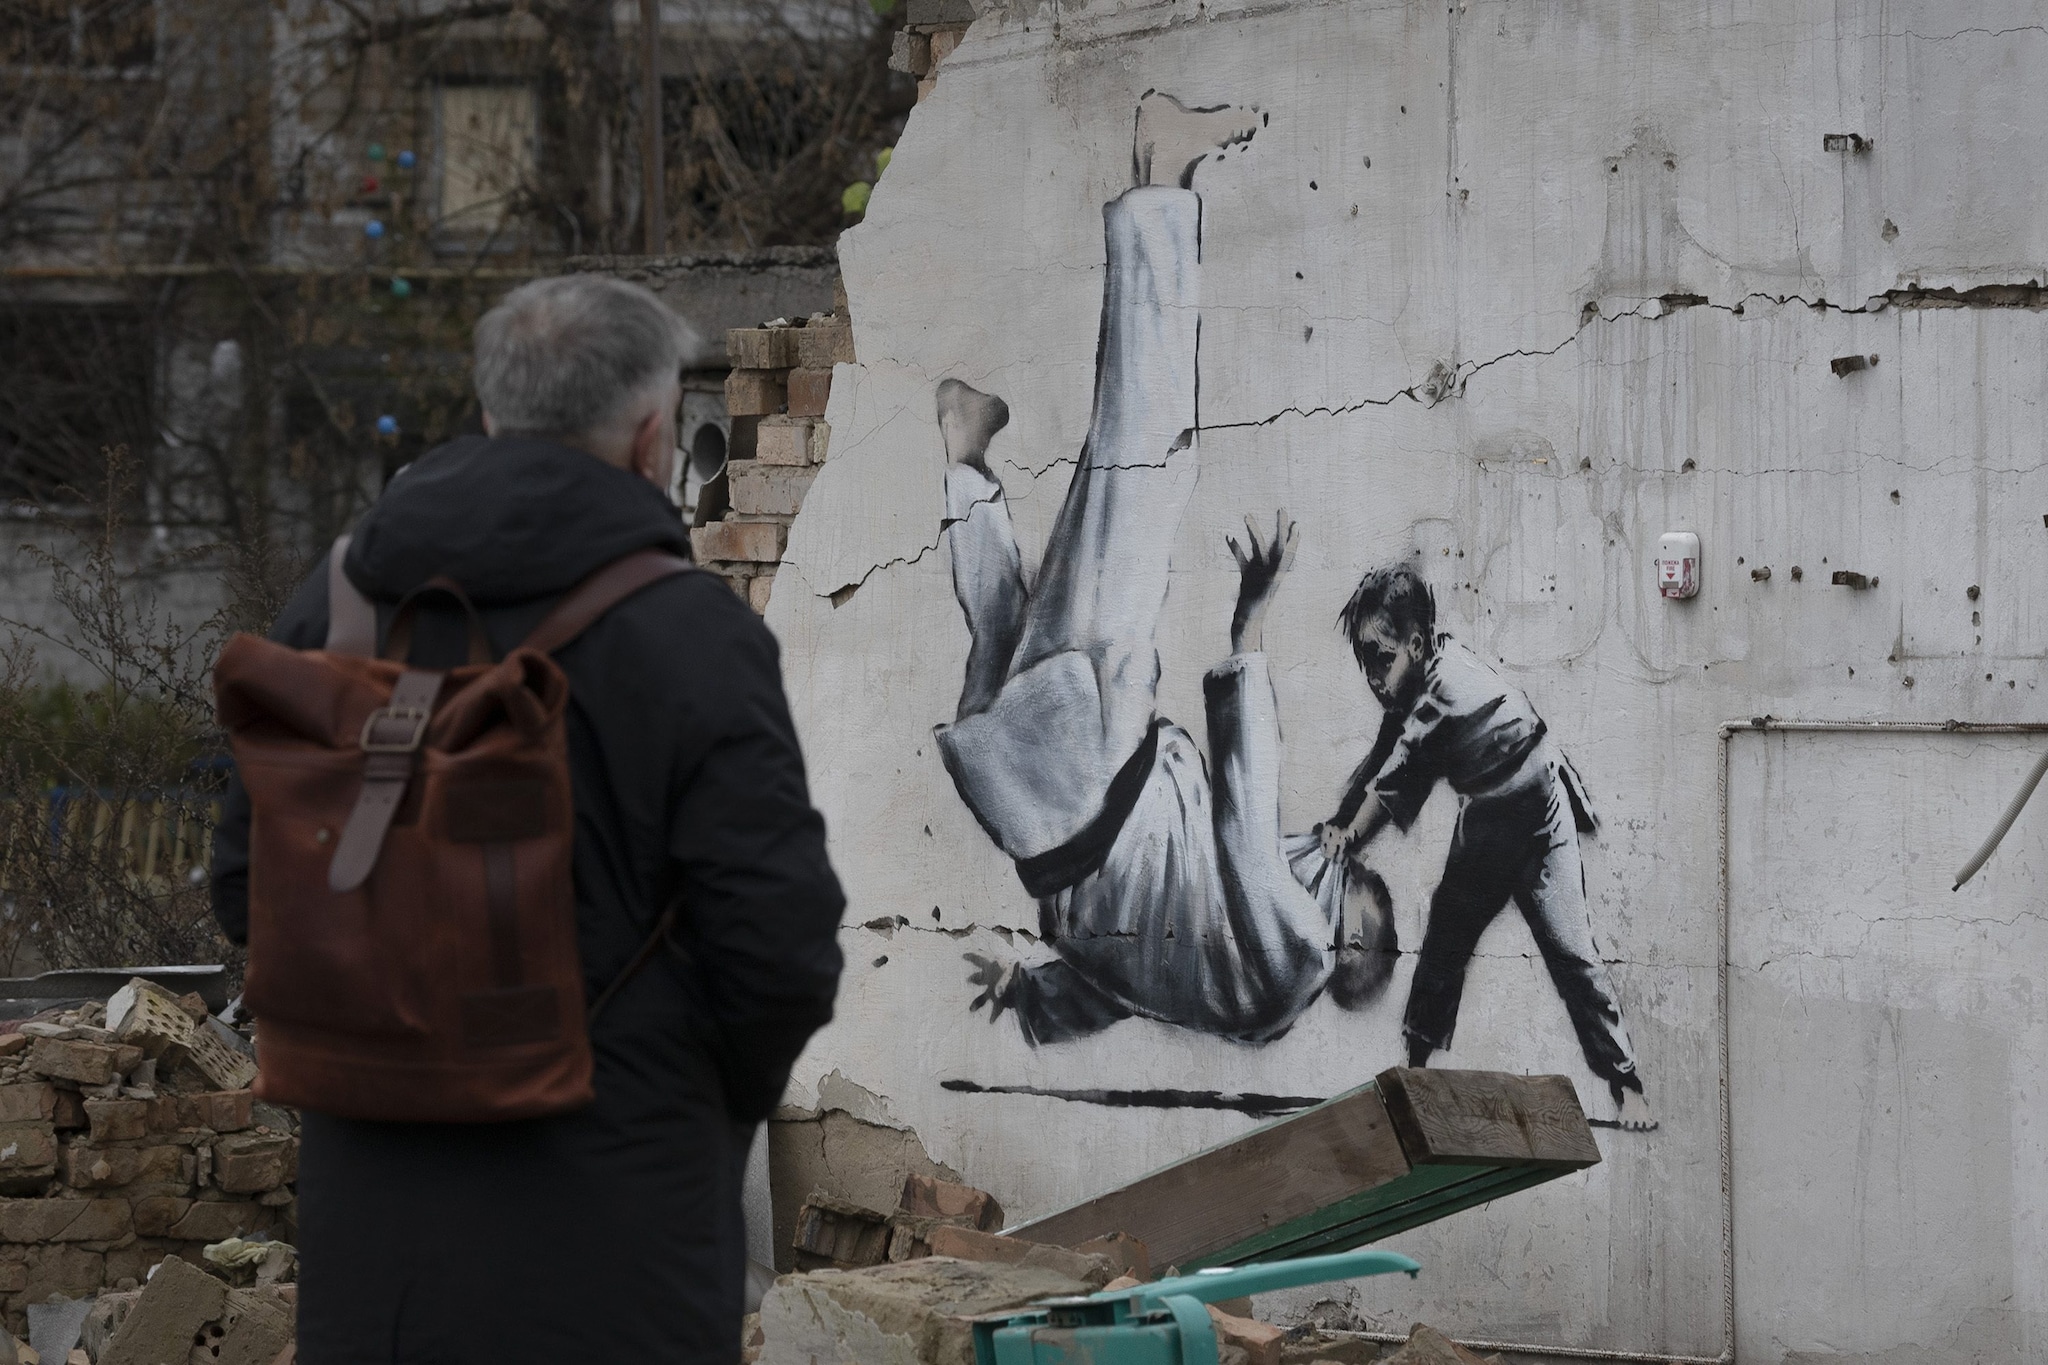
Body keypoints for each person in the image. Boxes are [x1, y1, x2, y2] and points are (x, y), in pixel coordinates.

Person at [209, 274, 846, 1361]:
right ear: (652, 434)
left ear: (494, 414)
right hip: (617, 1233)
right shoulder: (688, 630)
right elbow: (778, 945)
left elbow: (243, 888)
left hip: (379, 1233)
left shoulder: (339, 600)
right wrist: (685, 1108)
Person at [938, 93, 1395, 1046]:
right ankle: (964, 461)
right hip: (1025, 814)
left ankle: (1161, 177)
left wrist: (1249, 633)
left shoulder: (1300, 956)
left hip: (1094, 769)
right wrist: (1025, 997)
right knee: (1002, 627)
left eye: (1350, 896)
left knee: (1145, 462)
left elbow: (1242, 824)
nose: (1331, 861)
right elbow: (1115, 985)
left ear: (1353, 947)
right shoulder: (1227, 989)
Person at [1317, 565, 1656, 1130]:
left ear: (1417, 644)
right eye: (1366, 664)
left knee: (1571, 951)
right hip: (1488, 820)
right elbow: (1381, 757)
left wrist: (1352, 834)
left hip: (1540, 814)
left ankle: (1627, 1083)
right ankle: (1417, 1073)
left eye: (1382, 659)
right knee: (1445, 943)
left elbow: (1398, 774)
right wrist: (1340, 819)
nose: (1375, 678)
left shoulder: (1442, 692)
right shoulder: (1424, 676)